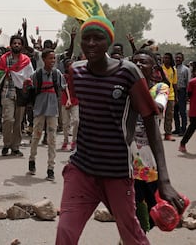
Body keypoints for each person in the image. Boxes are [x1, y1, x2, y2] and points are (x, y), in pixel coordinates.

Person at [56, 16, 185, 245]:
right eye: (86, 38)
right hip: (82, 169)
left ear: (108, 42)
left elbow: (150, 124)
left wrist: (164, 180)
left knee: (131, 235)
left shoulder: (128, 73)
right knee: (65, 234)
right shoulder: (76, 72)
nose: (91, 43)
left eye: (98, 38)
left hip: (117, 172)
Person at [131, 49, 170, 233]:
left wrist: (139, 89)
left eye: (143, 62)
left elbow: (158, 107)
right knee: (134, 212)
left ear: (153, 68)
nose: (138, 65)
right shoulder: (124, 88)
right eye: (135, 62)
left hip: (150, 164)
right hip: (127, 164)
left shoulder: (160, 88)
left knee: (152, 211)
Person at [26, 49, 71, 181]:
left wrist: (68, 99)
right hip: (39, 110)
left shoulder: (57, 74)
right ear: (44, 59)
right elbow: (29, 88)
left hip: (53, 111)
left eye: (54, 59)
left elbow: (65, 87)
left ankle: (50, 168)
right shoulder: (37, 74)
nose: (53, 61)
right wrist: (26, 86)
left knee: (52, 140)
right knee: (36, 137)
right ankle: (32, 159)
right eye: (50, 58)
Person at [0, 33, 34, 157]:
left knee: (18, 123)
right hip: (7, 93)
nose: (17, 45)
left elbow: (30, 76)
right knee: (8, 119)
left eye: (19, 43)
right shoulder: (4, 59)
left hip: (21, 94)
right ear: (11, 45)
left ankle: (15, 147)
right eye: (14, 43)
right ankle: (6, 144)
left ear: (22, 46)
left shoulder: (26, 60)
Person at [60, 58, 79, 151]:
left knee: (76, 121)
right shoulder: (63, 77)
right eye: (69, 66)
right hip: (65, 101)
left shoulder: (78, 76)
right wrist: (68, 100)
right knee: (65, 123)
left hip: (75, 101)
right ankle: (65, 140)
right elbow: (65, 88)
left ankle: (74, 140)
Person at [179, 67, 196, 153]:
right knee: (192, 128)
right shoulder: (192, 82)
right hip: (194, 110)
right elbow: (189, 95)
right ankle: (182, 143)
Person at [173, 52, 190, 136]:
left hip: (182, 91)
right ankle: (177, 129)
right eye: (176, 57)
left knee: (182, 111)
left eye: (179, 58)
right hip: (173, 92)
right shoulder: (173, 68)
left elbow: (188, 82)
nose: (178, 59)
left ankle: (183, 129)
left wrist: (187, 94)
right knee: (175, 111)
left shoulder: (186, 69)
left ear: (182, 59)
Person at [162, 53, 178, 141]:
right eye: (165, 58)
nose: (166, 59)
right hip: (161, 94)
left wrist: (176, 96)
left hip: (171, 95)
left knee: (169, 115)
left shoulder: (174, 70)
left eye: (168, 58)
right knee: (159, 115)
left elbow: (175, 84)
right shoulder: (160, 69)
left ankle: (168, 133)